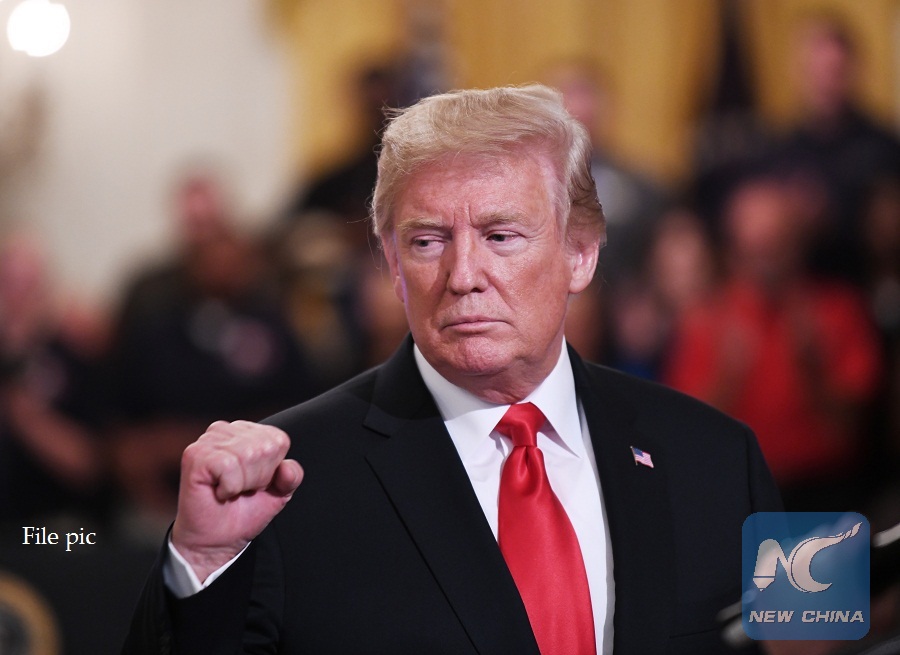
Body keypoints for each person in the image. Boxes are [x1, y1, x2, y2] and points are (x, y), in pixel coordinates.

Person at [123, 85, 781, 654]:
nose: (463, 276)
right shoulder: (285, 484)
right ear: (391, 264)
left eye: (500, 236)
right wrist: (202, 563)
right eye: (428, 241)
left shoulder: (718, 459)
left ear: (580, 253)